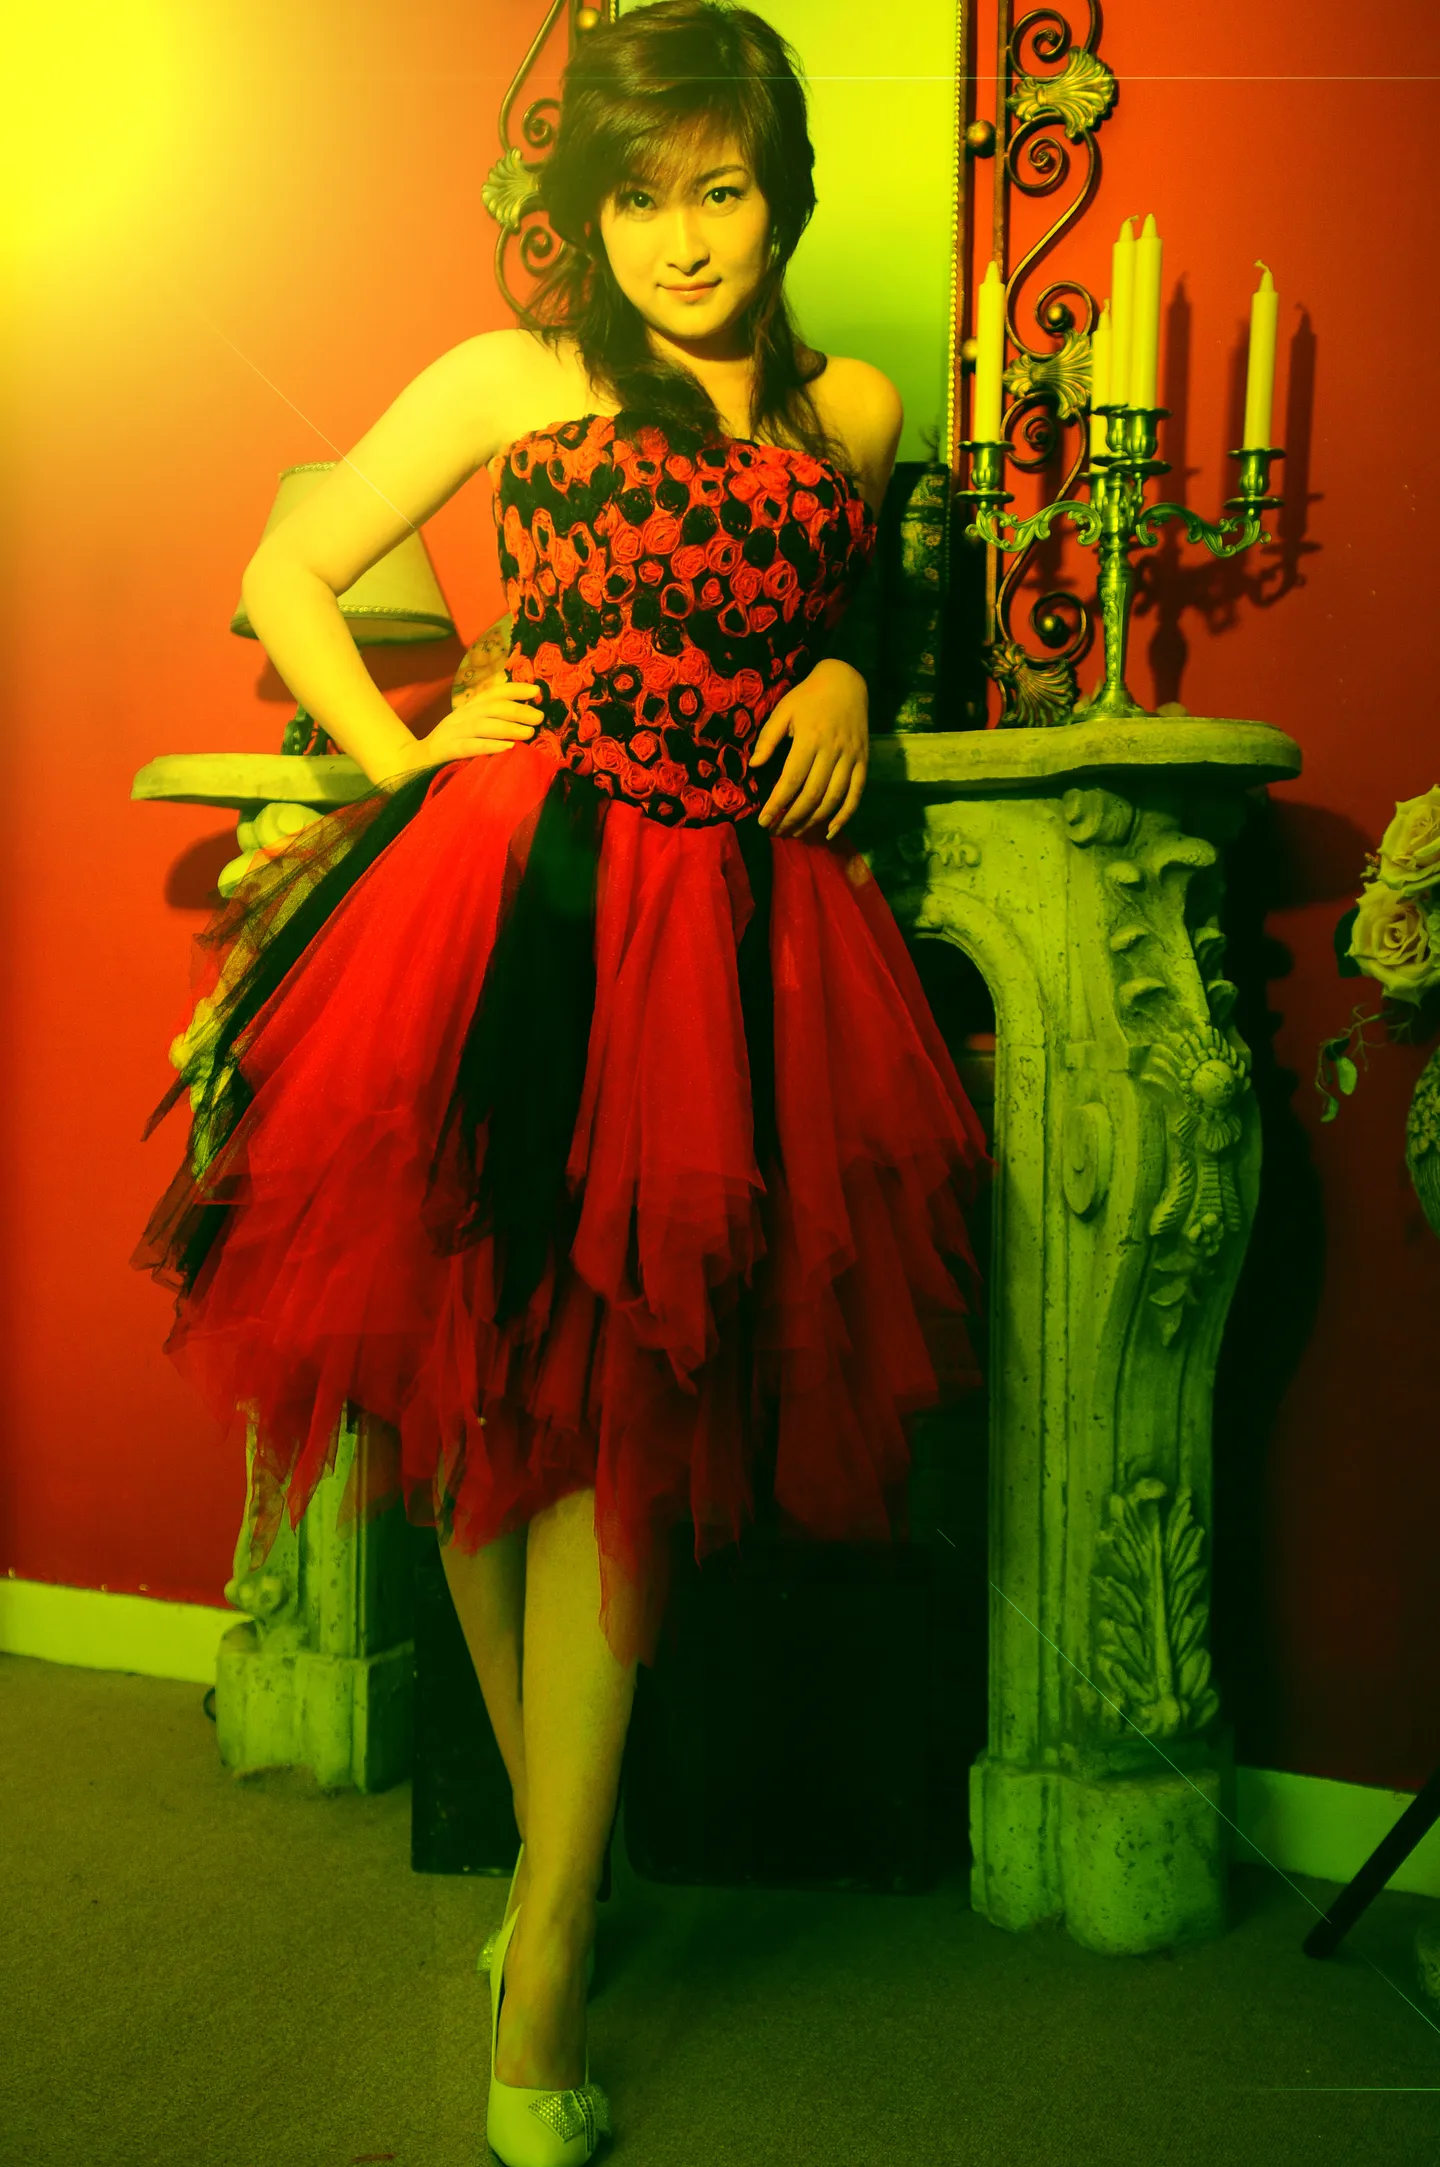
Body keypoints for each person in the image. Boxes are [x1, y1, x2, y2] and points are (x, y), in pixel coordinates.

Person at [134, 3, 991, 2159]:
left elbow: (850, 604)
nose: (683, 239)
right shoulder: (510, 379)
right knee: (479, 1430)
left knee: (627, 1426)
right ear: (584, 216)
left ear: (784, 194)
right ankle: (558, 1889)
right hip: (512, 904)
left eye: (722, 189)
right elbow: (282, 570)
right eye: (638, 197)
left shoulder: (859, 410)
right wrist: (409, 752)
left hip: (733, 939)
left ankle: (542, 1963)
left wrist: (843, 671)